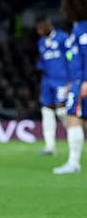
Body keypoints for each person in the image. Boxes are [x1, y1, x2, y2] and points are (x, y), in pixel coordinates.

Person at [54, 0, 87, 174]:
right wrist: (72, 82)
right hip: (77, 82)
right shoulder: (77, 29)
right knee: (76, 119)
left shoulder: (83, 29)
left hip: (84, 82)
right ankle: (73, 162)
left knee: (73, 118)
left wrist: (84, 82)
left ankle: (74, 163)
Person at [35, 17, 69, 156]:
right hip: (47, 81)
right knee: (46, 111)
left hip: (62, 80)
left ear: (48, 24)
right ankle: (49, 147)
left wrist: (72, 78)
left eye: (41, 28)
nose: (39, 31)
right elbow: (42, 61)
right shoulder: (41, 42)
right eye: (37, 29)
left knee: (61, 111)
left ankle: (77, 132)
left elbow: (71, 57)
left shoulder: (63, 37)